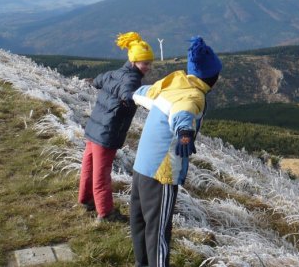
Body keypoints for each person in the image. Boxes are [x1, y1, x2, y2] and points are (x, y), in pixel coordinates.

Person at [130, 36, 222, 267]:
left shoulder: (171, 84)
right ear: (212, 77)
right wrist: (184, 132)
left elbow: (141, 93)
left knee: (140, 224)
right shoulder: (194, 95)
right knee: (159, 231)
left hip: (141, 166)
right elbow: (184, 112)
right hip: (161, 172)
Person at [78, 32, 154, 223]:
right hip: (107, 133)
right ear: (134, 61)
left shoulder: (113, 73)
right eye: (145, 63)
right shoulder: (132, 80)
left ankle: (85, 199)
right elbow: (128, 94)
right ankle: (105, 213)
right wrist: (140, 101)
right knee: (101, 174)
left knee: (88, 166)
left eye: (149, 63)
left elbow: (97, 81)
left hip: (94, 129)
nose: (148, 67)